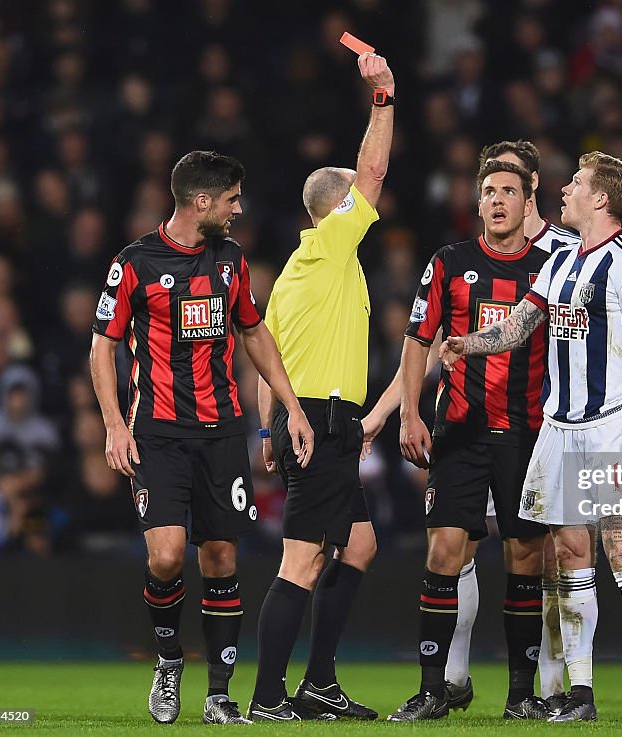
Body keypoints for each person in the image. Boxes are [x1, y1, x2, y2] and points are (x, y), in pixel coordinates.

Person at [440, 151, 622, 723]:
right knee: (571, 554)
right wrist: (465, 344)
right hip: (560, 424)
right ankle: (581, 694)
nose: (565, 190)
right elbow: (522, 324)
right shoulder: (563, 258)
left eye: (576, 183)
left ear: (600, 198)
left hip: (609, 422)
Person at [90, 150, 313, 725]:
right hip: (157, 434)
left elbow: (254, 333)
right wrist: (115, 426)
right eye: (233, 199)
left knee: (219, 555)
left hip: (221, 434)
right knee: (165, 557)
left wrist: (290, 408)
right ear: (203, 201)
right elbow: (101, 347)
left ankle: (219, 692)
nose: (240, 209)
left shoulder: (231, 260)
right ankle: (168, 662)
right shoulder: (135, 261)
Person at [247, 51, 394, 723]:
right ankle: (271, 696)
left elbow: (262, 357)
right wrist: (382, 97)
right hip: (323, 418)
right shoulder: (333, 245)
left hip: (306, 418)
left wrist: (266, 426)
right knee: (301, 560)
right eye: (354, 198)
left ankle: (318, 683)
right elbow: (373, 168)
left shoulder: (290, 276)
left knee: (357, 544)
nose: (367, 204)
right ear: (337, 208)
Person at [382, 158, 552, 721]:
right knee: (444, 551)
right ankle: (433, 689)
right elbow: (417, 340)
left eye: (509, 191)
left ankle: (522, 695)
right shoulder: (450, 263)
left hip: (527, 434)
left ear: (529, 203)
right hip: (460, 430)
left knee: (525, 557)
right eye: (488, 192)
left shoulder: (551, 267)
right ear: (477, 203)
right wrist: (409, 413)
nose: (498, 200)